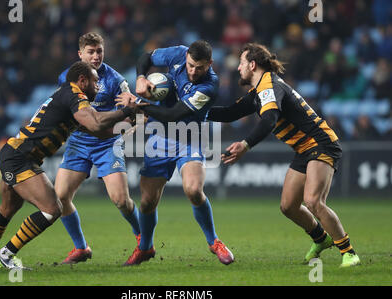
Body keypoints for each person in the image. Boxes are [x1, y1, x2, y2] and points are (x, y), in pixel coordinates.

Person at [207, 43, 360, 268]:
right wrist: (194, 111)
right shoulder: (258, 92)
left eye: (241, 63)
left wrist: (245, 145)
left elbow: (269, 120)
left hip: (321, 143)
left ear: (252, 64)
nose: (238, 68)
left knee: (313, 201)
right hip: (303, 148)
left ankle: (348, 252)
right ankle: (321, 239)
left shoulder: (269, 85)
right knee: (288, 206)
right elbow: (230, 113)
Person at [0, 61, 136, 269]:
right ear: (82, 80)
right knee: (53, 209)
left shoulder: (71, 101)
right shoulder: (74, 94)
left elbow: (98, 131)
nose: (98, 86)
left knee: (9, 207)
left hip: (17, 154)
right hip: (20, 158)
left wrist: (128, 125)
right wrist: (126, 111)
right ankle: (6, 254)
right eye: (96, 82)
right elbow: (96, 122)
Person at [116, 40, 234, 266]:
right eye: (190, 65)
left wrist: (138, 104)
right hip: (160, 138)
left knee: (193, 190)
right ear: (186, 56)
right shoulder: (177, 54)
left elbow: (173, 115)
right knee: (148, 202)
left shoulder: (210, 85)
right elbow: (147, 57)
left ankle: (214, 242)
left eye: (199, 67)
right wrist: (141, 77)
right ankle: (145, 248)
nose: (193, 71)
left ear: (209, 64)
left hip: (190, 138)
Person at [55, 32, 141, 264]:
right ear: (80, 54)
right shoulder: (66, 77)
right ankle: (81, 248)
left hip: (107, 144)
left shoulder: (116, 80)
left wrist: (121, 129)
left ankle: (142, 238)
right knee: (60, 197)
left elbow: (133, 114)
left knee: (121, 200)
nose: (95, 56)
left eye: (99, 51)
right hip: (78, 142)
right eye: (90, 52)